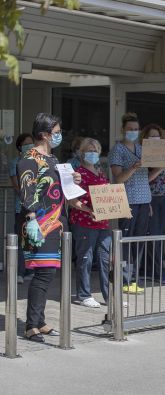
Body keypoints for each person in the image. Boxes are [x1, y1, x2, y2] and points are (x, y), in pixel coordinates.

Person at [18, 113, 92, 342]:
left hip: (56, 224)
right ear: (44, 134)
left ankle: (39, 321)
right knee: (43, 274)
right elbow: (26, 191)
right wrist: (31, 219)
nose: (59, 135)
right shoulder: (29, 158)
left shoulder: (54, 160)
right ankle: (31, 325)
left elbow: (67, 196)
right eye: (56, 132)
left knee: (48, 274)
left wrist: (88, 206)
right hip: (38, 224)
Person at [108, 112, 164, 294]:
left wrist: (161, 168)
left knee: (138, 242)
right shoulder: (117, 150)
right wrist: (133, 167)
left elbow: (145, 179)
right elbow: (118, 178)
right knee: (125, 240)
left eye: (136, 129)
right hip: (127, 200)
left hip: (143, 199)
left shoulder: (141, 148)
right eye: (130, 129)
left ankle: (134, 279)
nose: (133, 132)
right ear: (123, 129)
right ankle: (123, 278)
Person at [70, 138, 111, 307]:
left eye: (95, 150)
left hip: (103, 223)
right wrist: (89, 211)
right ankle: (84, 294)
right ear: (81, 153)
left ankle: (109, 296)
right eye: (89, 150)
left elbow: (109, 196)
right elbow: (72, 200)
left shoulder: (101, 173)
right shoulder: (77, 174)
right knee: (85, 258)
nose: (92, 153)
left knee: (105, 259)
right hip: (84, 222)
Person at [141, 124, 165, 284]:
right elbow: (144, 180)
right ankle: (156, 271)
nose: (155, 139)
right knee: (153, 236)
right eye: (151, 136)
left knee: (160, 236)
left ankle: (153, 269)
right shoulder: (143, 156)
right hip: (150, 198)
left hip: (163, 198)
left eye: (157, 136)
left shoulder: (163, 155)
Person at [10, 133, 35, 284]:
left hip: (35, 207)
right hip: (21, 207)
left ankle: (30, 270)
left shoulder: (37, 161)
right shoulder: (15, 162)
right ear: (20, 146)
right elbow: (16, 186)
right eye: (26, 144)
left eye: (31, 143)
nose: (29, 146)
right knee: (21, 240)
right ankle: (19, 271)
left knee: (32, 240)